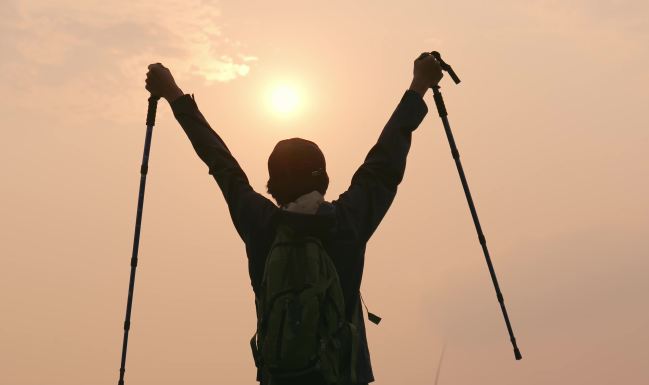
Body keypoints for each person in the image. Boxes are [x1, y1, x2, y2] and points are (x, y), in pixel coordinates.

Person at [145, 52, 443, 385]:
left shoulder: (260, 223)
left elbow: (221, 162)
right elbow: (384, 164)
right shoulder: (346, 223)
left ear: (272, 187)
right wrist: (420, 84)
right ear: (324, 180)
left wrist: (173, 93)